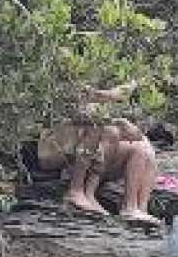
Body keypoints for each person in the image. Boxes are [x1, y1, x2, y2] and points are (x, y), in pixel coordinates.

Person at [28, 82, 158, 224]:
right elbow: (79, 112)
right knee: (108, 130)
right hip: (54, 146)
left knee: (143, 148)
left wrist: (126, 126)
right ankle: (77, 191)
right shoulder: (64, 78)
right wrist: (112, 103)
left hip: (85, 144)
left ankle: (134, 207)